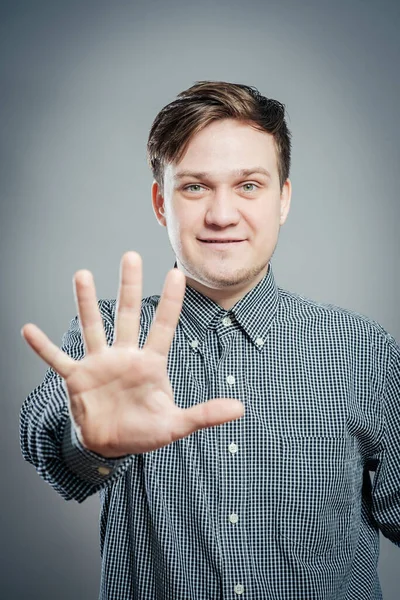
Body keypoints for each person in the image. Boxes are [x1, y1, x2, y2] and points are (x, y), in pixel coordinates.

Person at [20, 80, 399, 600]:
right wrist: (90, 445)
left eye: (249, 185)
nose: (222, 215)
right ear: (161, 203)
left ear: (283, 198)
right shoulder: (108, 340)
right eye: (195, 186)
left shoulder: (363, 348)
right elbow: (52, 454)